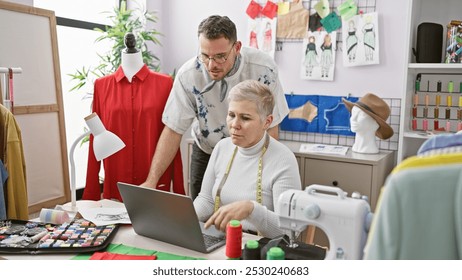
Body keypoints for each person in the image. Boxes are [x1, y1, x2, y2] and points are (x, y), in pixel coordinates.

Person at [141, 15, 289, 200]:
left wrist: (265, 172)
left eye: (220, 57)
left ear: (237, 48)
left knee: (244, 214)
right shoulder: (188, 75)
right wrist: (151, 180)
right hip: (207, 150)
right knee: (201, 213)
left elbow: (271, 126)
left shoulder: (263, 69)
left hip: (251, 153)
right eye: (205, 56)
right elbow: (173, 129)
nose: (211, 65)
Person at [83, 32, 184, 202]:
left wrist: (179, 193)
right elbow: (96, 137)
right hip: (116, 183)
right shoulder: (101, 86)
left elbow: (172, 137)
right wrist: (90, 195)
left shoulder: (165, 84)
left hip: (155, 183)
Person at [194, 80, 301, 238]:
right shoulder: (222, 148)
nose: (234, 125)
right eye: (231, 115)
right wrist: (180, 219)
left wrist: (251, 209)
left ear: (267, 122)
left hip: (260, 248)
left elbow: (290, 232)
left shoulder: (283, 159)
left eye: (245, 118)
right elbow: (207, 201)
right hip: (221, 240)